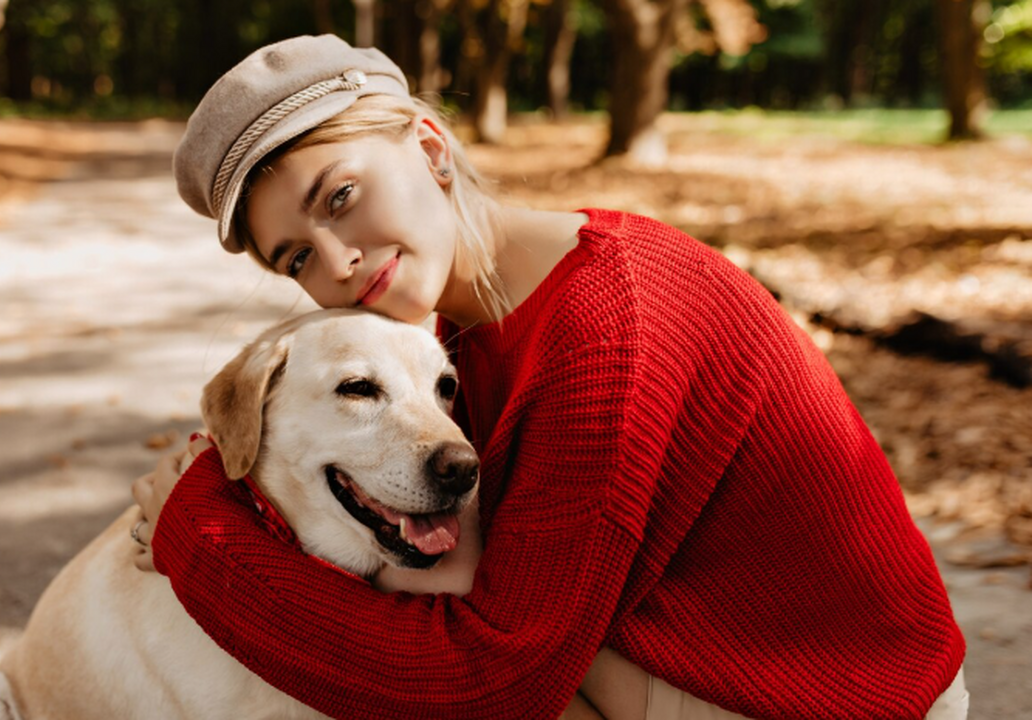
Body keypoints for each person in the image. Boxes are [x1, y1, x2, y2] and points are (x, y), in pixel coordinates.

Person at [129, 34, 968, 720]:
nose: (339, 261)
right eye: (297, 258)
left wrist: (200, 540)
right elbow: (450, 574)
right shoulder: (462, 329)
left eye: (341, 196)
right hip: (694, 652)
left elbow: (491, 687)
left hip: (842, 694)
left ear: (430, 148)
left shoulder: (607, 332)